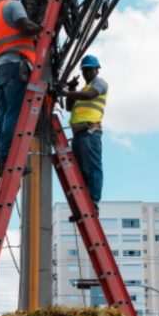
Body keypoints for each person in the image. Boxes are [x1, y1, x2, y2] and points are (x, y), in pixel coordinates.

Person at [0, 0, 42, 177]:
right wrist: (41, 30)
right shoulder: (12, 5)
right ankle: (8, 158)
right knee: (14, 114)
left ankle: (2, 159)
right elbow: (24, 25)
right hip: (14, 66)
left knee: (4, 114)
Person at [61, 54, 107, 212]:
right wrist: (72, 88)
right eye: (84, 70)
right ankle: (82, 205)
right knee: (80, 172)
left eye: (89, 70)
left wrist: (66, 93)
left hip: (90, 132)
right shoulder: (81, 91)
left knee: (92, 169)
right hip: (79, 135)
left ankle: (93, 203)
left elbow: (89, 95)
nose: (86, 73)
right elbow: (68, 107)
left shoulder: (100, 84)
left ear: (97, 70)